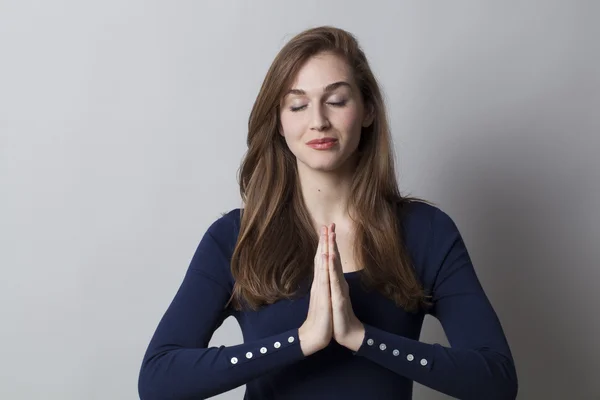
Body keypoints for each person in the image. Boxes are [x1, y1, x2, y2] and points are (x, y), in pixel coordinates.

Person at [137, 26, 518, 400]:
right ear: (280, 123)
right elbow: (158, 380)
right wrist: (300, 341)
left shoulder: (425, 232)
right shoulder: (236, 237)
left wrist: (361, 337)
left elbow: (496, 381)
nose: (318, 120)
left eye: (336, 100)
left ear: (368, 110)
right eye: (298, 105)